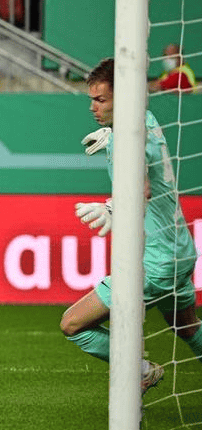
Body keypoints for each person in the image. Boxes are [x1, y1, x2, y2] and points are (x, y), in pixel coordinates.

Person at [60, 57, 202, 396]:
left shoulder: (130, 138)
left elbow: (142, 188)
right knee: (187, 328)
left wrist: (113, 207)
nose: (93, 107)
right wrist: (111, 137)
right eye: (92, 99)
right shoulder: (143, 120)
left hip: (156, 260)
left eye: (101, 99)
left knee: (73, 324)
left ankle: (141, 371)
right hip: (180, 249)